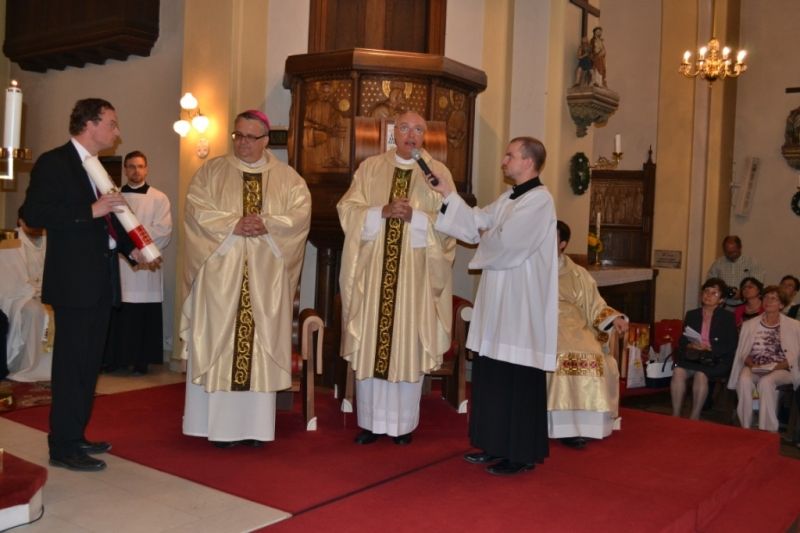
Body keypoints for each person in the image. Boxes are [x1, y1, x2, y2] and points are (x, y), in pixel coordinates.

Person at [23, 98, 156, 471]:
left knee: (88, 365)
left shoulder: (98, 167)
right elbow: (33, 214)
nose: (117, 131)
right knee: (71, 367)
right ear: (90, 123)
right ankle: (62, 446)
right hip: (73, 283)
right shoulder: (55, 162)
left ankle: (75, 434)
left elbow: (111, 222)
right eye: (112, 124)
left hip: (100, 282)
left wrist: (134, 250)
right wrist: (89, 211)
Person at [181, 109, 311, 448]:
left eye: (251, 137)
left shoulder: (289, 179)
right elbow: (195, 211)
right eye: (238, 135)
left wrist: (267, 224)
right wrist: (232, 225)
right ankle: (216, 428)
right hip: (220, 283)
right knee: (219, 344)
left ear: (266, 140)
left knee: (258, 348)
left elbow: (299, 217)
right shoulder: (210, 172)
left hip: (265, 284)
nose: (243, 143)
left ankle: (254, 428)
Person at [431, 136, 558, 476]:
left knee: (517, 378)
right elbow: (477, 222)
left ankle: (520, 453)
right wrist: (448, 193)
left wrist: (489, 234)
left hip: (521, 306)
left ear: (528, 161)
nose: (504, 161)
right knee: (493, 375)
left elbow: (508, 243)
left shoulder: (540, 201)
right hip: (499, 302)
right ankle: (493, 444)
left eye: (510, 155)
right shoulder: (508, 198)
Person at [338, 111, 455, 446]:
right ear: (394, 133)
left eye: (418, 129)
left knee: (407, 345)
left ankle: (403, 425)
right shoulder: (371, 168)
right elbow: (348, 209)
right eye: (404, 128)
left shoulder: (437, 172)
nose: (411, 135)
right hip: (374, 277)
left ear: (425, 135)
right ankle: (371, 423)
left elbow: (450, 223)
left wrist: (416, 217)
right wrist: (382, 212)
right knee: (373, 343)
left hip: (414, 280)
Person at [548, 220, 628, 449]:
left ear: (562, 244)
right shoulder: (529, 267)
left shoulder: (577, 273)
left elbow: (595, 304)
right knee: (563, 355)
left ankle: (586, 425)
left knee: (594, 355)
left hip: (576, 325)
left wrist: (614, 318)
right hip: (545, 325)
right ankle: (562, 427)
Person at [104, 151, 172, 375]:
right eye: (131, 166)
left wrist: (135, 238)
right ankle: (117, 360)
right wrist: (127, 245)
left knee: (143, 314)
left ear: (146, 169)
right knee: (120, 312)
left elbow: (163, 231)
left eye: (140, 166)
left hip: (147, 267)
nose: (136, 170)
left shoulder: (159, 198)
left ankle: (141, 361)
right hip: (122, 263)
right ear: (125, 169)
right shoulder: (114, 197)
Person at [728, 286, 800, 432]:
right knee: (744, 379)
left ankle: (768, 429)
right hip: (755, 366)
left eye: (774, 298)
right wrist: (751, 365)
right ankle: (746, 425)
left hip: (782, 369)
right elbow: (743, 352)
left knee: (766, 381)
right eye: (766, 297)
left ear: (781, 305)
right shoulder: (749, 325)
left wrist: (774, 368)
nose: (768, 301)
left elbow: (795, 356)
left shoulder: (795, 326)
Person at [671, 278, 738, 420]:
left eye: (714, 293)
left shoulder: (728, 317)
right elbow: (682, 340)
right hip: (694, 356)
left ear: (721, 300)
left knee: (701, 375)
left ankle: (695, 416)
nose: (708, 295)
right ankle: (675, 415)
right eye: (706, 291)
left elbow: (731, 344)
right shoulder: (692, 314)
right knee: (678, 372)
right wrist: (690, 345)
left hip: (715, 359)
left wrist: (710, 347)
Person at [0, 208, 51, 382]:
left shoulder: (51, 239)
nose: (37, 225)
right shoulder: (11, 241)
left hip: (45, 291)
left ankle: (53, 365)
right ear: (20, 222)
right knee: (33, 311)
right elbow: (10, 279)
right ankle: (25, 364)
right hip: (19, 295)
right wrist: (31, 292)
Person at [706, 235, 764, 308]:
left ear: (740, 248)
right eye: (728, 252)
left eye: (733, 252)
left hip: (747, 305)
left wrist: (742, 293)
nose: (730, 255)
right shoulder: (717, 264)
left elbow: (758, 284)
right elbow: (710, 283)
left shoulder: (751, 263)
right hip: (724, 305)